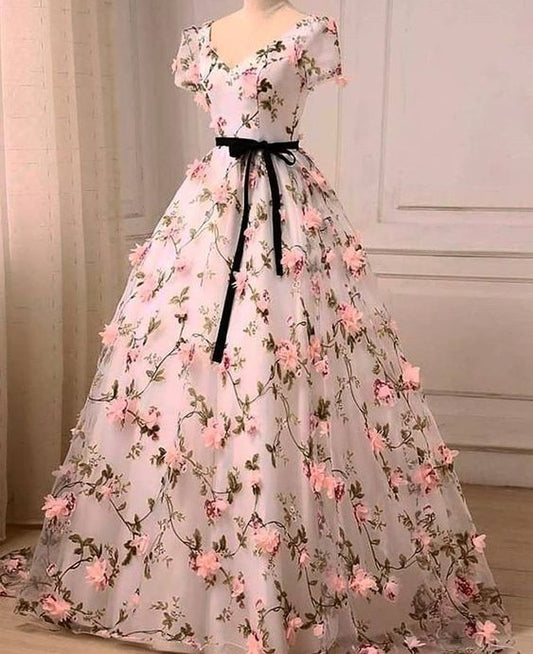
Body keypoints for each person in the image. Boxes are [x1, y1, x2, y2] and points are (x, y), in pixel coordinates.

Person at [2, 1, 519, 653]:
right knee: (192, 367)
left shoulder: (311, 32)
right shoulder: (200, 41)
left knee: (284, 366)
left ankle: (286, 567)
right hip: (211, 210)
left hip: (287, 212)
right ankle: (193, 560)